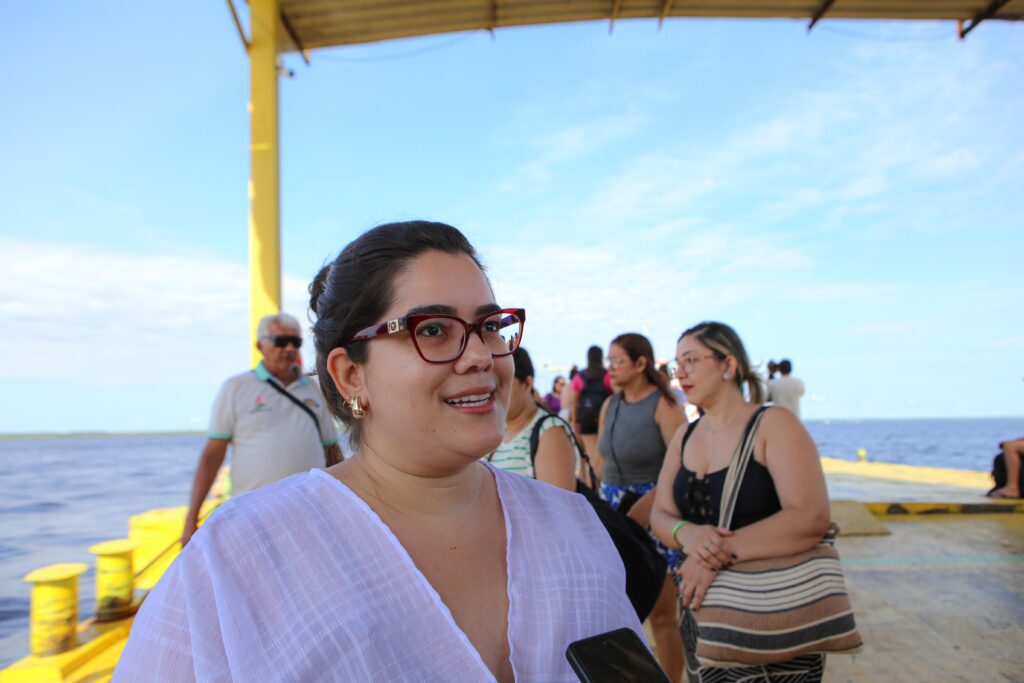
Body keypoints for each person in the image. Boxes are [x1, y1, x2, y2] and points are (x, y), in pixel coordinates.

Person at [115, 221, 643, 682]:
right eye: (433, 330)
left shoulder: (573, 525)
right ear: (350, 376)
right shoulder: (237, 561)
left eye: (489, 326)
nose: (481, 356)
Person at [651, 321, 831, 683]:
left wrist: (712, 555)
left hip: (772, 614)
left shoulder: (773, 424)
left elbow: (810, 516)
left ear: (728, 366)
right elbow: (661, 514)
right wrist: (689, 535)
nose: (680, 372)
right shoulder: (685, 437)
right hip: (703, 621)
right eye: (676, 364)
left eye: (690, 360)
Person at [180, 312, 341, 546]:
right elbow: (212, 456)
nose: (288, 348)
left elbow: (331, 451)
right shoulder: (236, 388)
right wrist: (190, 521)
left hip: (308, 512)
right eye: (280, 342)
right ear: (260, 345)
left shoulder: (314, 390)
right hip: (252, 517)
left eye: (294, 342)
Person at [597, 333, 687, 682]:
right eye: (609, 361)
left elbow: (681, 464)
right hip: (615, 511)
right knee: (622, 610)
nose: (611, 368)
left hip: (655, 510)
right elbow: (598, 458)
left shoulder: (664, 405)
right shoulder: (611, 405)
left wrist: (648, 508)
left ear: (641, 364)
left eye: (618, 361)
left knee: (663, 614)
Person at [487, 348, 576, 490]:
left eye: (501, 383)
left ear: (527, 384)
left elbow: (558, 507)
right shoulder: (494, 430)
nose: (492, 391)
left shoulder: (549, 432)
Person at [566, 346, 613, 476]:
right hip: (605, 420)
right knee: (602, 456)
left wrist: (576, 421)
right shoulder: (607, 375)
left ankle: (591, 485)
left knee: (590, 456)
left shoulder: (580, 377)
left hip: (586, 422)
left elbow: (574, 402)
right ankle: (599, 484)